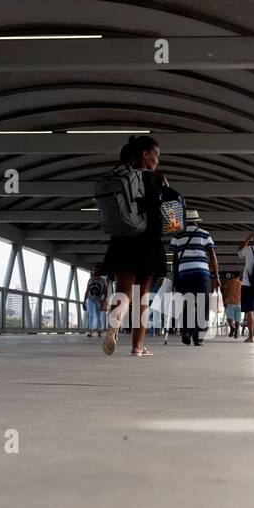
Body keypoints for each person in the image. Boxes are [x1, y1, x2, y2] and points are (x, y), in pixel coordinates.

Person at [100, 135, 166, 357]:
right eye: (156, 156)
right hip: (148, 241)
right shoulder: (156, 178)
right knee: (143, 296)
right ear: (145, 154)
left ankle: (114, 324)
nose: (157, 161)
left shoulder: (118, 176)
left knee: (123, 292)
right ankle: (138, 347)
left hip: (122, 239)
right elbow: (169, 214)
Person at [169, 208, 218, 346]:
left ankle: (186, 331)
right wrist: (216, 276)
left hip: (184, 272)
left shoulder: (177, 235)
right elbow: (212, 255)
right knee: (203, 303)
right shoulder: (204, 233)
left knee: (189, 302)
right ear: (197, 221)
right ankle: (199, 337)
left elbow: (174, 258)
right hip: (202, 272)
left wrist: (175, 276)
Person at [84, 265, 108, 337]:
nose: (94, 271)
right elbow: (87, 291)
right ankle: (91, 332)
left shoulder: (103, 280)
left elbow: (105, 291)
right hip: (90, 300)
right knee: (91, 315)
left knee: (98, 316)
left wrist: (104, 300)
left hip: (99, 300)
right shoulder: (90, 280)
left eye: (96, 270)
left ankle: (99, 332)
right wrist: (84, 301)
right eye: (94, 270)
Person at [222, 271, 243, 338]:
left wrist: (224, 299)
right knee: (237, 319)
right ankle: (236, 332)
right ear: (239, 276)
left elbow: (225, 291)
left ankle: (232, 327)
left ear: (233, 275)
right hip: (239, 303)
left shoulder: (230, 282)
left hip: (230, 302)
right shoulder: (241, 283)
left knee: (229, 318)